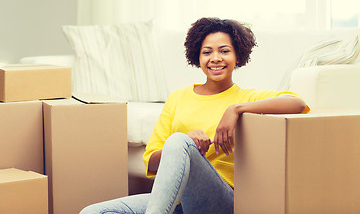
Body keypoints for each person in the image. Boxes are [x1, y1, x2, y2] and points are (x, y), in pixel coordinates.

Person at [79, 17, 309, 214]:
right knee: (92, 212)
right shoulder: (178, 97)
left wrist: (235, 109)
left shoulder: (247, 98)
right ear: (197, 57)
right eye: (207, 52)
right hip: (175, 200)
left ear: (238, 56)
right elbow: (151, 159)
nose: (215, 58)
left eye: (224, 51)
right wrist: (186, 149)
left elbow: (297, 103)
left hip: (221, 201)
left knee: (179, 140)